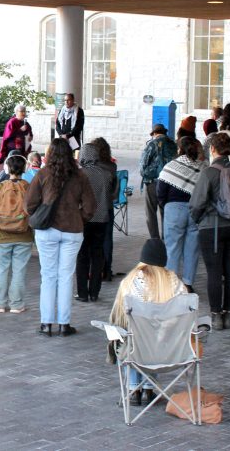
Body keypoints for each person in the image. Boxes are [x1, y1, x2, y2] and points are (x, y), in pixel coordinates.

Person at [25, 138, 95, 337]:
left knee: (48, 277)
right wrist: (79, 218)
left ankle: (46, 324)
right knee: (66, 277)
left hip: (47, 231)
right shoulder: (80, 176)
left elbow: (29, 205)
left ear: (50, 154)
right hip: (73, 230)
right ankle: (64, 324)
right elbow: (90, 207)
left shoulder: (42, 174)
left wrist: (41, 214)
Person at [109, 239, 185, 406]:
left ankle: (133, 389)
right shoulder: (176, 284)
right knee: (154, 335)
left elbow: (119, 318)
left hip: (135, 349)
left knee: (129, 336)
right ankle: (148, 389)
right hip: (170, 350)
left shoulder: (129, 282)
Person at [189, 133, 230, 330]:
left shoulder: (209, 173)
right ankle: (228, 314)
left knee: (214, 271)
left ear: (212, 149)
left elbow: (197, 203)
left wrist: (197, 219)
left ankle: (216, 316)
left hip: (212, 227)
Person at [156, 137, 206, 293]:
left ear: (179, 149)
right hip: (195, 210)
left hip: (174, 209)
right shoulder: (203, 167)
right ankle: (187, 284)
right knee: (192, 248)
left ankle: (170, 285)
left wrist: (166, 206)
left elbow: (160, 192)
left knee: (172, 248)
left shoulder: (171, 166)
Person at [75, 137, 118, 302]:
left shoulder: (79, 174)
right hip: (102, 218)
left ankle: (82, 293)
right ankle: (94, 292)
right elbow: (113, 195)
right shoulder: (107, 173)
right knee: (97, 254)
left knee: (82, 255)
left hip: (84, 219)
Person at [0, 154, 34, 313]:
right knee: (19, 271)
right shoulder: (28, 187)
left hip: (1, 236)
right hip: (24, 235)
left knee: (1, 270)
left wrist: (1, 224)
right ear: (25, 169)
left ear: (7, 169)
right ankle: (17, 305)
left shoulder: (0, 187)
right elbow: (33, 210)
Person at [139, 123, 177, 239]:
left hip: (153, 182)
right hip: (169, 183)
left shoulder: (152, 144)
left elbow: (142, 167)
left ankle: (155, 239)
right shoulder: (173, 144)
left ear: (154, 133)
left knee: (151, 212)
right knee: (165, 211)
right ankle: (166, 238)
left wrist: (147, 175)